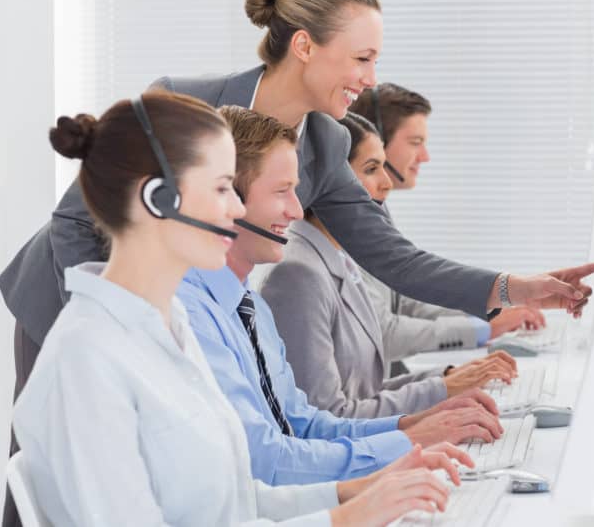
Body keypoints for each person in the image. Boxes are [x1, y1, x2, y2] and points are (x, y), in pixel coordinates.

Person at [0, 0, 594, 520]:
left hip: (169, 312)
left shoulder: (325, 143)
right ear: (305, 46)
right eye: (362, 58)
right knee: (71, 485)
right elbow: (76, 224)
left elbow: (393, 257)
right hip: (72, 298)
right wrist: (115, 321)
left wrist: (513, 289)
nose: (371, 79)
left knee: (199, 471)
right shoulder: (185, 107)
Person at [13, 92, 473, 527]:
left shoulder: (168, 328)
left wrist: (356, 494)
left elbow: (234, 500)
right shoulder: (87, 360)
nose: (237, 208)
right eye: (221, 189)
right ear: (159, 200)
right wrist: (345, 518)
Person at [177, 105, 504, 486]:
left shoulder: (250, 307)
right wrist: (408, 440)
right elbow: (266, 460)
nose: (296, 209)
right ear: (225, 198)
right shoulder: (192, 315)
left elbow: (304, 422)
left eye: (296, 190)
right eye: (282, 191)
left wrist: (413, 426)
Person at [260, 113, 521, 418]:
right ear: (327, 179)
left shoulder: (339, 256)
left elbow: (366, 391)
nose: (386, 184)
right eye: (371, 169)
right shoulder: (298, 275)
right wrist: (442, 388)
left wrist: (445, 378)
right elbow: (327, 417)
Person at [347, 87, 547, 361]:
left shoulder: (376, 212)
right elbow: (381, 331)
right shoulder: (348, 225)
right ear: (375, 142)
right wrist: (482, 329)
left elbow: (402, 301)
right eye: (415, 142)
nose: (425, 156)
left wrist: (490, 313)